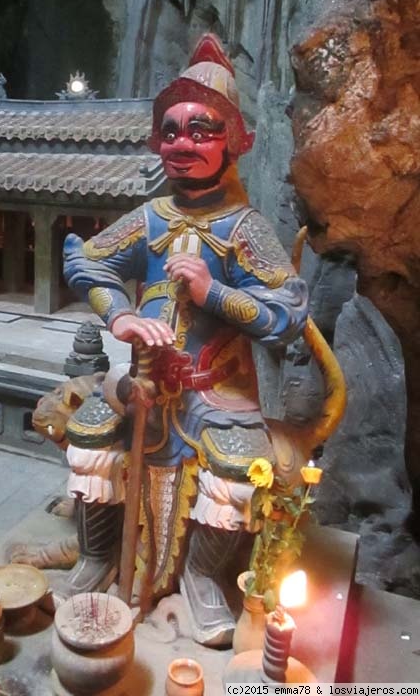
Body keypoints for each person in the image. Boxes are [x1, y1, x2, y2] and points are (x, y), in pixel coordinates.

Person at [62, 34, 308, 646]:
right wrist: (118, 317)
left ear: (232, 140)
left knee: (235, 469)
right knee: (93, 431)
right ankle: (98, 556)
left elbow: (289, 309)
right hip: (142, 382)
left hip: (216, 390)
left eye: (201, 130)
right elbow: (85, 260)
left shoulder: (245, 229)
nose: (182, 144)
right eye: (170, 132)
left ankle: (202, 578)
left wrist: (213, 295)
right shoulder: (149, 218)